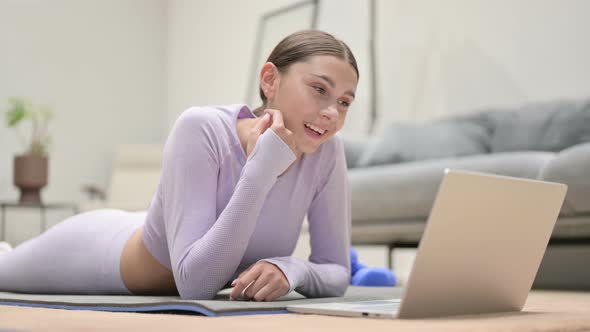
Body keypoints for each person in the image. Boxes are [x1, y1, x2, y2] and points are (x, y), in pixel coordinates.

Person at [0, 29, 359, 301]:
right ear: (269, 80)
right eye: (318, 89)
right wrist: (263, 168)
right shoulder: (201, 128)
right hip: (96, 251)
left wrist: (290, 267)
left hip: (149, 225)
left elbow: (337, 271)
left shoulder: (327, 152)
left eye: (344, 102)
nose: (332, 112)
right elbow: (195, 284)